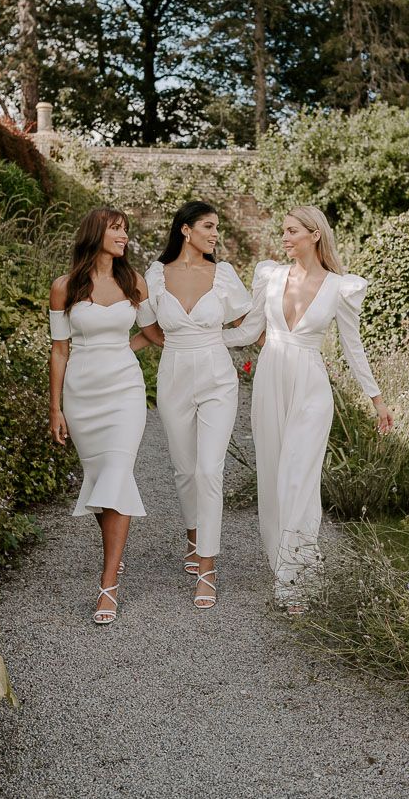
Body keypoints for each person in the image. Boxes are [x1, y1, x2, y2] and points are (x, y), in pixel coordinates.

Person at [222, 206, 393, 612]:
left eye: (292, 231)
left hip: (311, 385)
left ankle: (295, 580)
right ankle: (285, 562)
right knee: (273, 473)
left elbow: (353, 347)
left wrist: (377, 399)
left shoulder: (341, 287)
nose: (284, 237)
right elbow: (249, 331)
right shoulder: (270, 275)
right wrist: (198, 337)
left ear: (314, 234)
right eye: (283, 231)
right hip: (271, 380)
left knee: (299, 476)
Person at [49, 207, 158, 625]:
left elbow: (151, 332)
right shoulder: (65, 287)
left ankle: (108, 584)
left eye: (125, 230)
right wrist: (55, 407)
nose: (124, 236)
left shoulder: (134, 282)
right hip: (82, 393)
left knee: (117, 471)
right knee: (100, 481)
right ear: (95, 233)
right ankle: (115, 556)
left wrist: (200, 346)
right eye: (116, 229)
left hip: (125, 391)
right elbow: (59, 349)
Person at [141, 201, 251, 609]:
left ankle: (208, 567)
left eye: (216, 227)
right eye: (208, 226)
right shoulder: (156, 274)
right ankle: (193, 536)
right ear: (185, 230)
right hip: (173, 375)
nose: (215, 233)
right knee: (184, 468)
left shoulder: (223, 275)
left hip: (217, 377)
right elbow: (146, 323)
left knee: (209, 469)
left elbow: (248, 321)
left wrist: (224, 342)